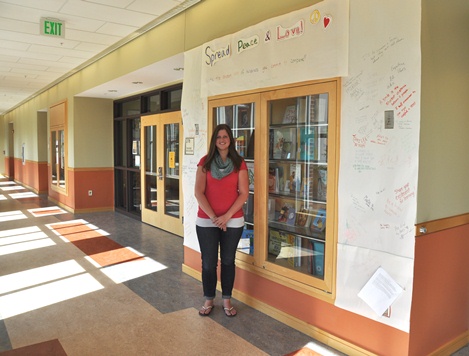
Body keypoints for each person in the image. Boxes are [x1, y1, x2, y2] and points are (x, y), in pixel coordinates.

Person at [194, 124, 249, 317]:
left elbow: (243, 193)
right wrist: (214, 218)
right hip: (207, 220)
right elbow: (198, 192)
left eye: (225, 136)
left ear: (230, 139)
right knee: (208, 263)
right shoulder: (205, 162)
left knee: (227, 261)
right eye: (218, 137)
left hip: (232, 221)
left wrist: (225, 217)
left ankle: (227, 300)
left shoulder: (239, 162)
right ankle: (209, 298)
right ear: (214, 140)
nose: (222, 140)